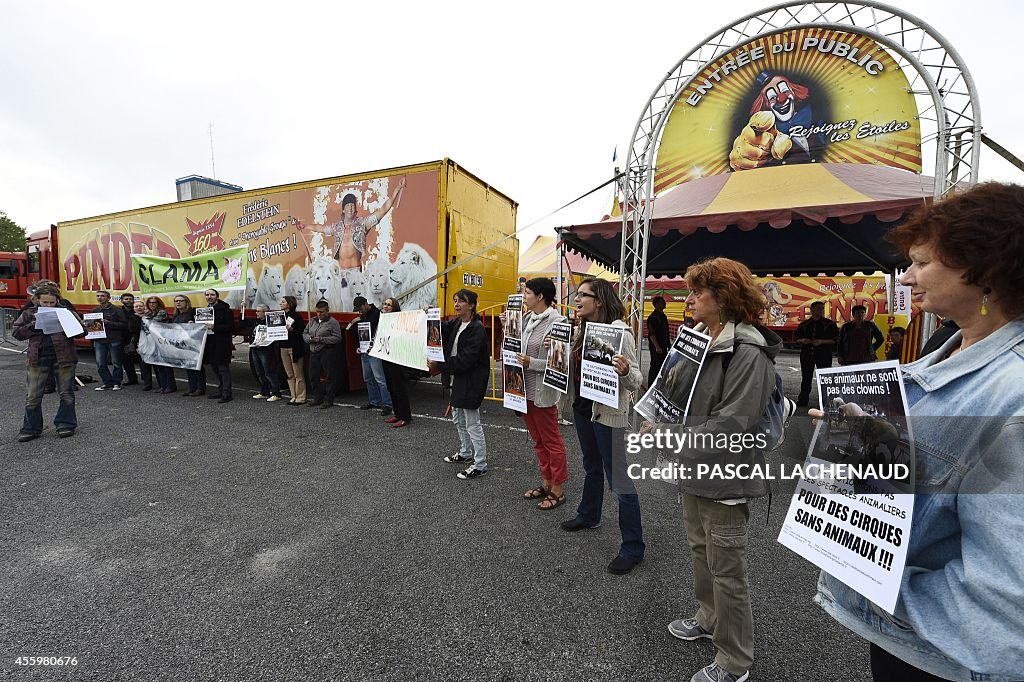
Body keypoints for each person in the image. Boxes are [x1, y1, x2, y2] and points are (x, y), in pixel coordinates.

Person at [812, 182, 1024, 681]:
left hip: (949, 657)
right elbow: (937, 472)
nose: (905, 279)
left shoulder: (1013, 390)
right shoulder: (952, 349)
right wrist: (872, 443)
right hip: (909, 644)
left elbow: (1005, 602)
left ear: (983, 270)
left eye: (922, 262)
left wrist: (870, 585)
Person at [660, 258, 780, 682]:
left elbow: (733, 424)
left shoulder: (748, 351)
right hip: (693, 473)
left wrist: (672, 439)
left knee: (727, 570)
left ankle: (735, 661)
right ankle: (708, 619)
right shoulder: (699, 340)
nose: (688, 299)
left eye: (697, 292)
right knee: (700, 553)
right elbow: (676, 398)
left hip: (726, 479)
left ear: (724, 298)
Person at [559, 278, 645, 576]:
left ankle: (633, 547)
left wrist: (623, 371)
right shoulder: (581, 330)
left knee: (619, 479)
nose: (577, 299)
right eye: (577, 294)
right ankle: (589, 514)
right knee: (591, 466)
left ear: (600, 301)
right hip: (584, 411)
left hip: (608, 415)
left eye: (584, 295)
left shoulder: (621, 333)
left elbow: (637, 379)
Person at [508, 277, 569, 509]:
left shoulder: (558, 321)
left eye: (528, 293)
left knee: (552, 441)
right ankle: (546, 482)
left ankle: (558, 489)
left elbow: (559, 363)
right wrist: (508, 326)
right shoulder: (526, 319)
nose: (525, 297)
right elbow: (515, 347)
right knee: (538, 441)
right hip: (524, 391)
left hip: (543, 392)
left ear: (540, 296)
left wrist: (531, 362)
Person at [429, 288, 491, 480]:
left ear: (471, 305)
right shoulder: (457, 322)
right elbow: (441, 328)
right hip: (456, 379)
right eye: (455, 300)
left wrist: (440, 365)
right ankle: (465, 453)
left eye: (461, 301)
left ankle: (480, 464)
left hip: (470, 381)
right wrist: (429, 317)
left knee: (472, 423)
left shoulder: (476, 329)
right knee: (458, 418)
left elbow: (465, 360)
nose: (456, 304)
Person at [13, 283, 83, 441]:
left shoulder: (66, 312)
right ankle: (31, 428)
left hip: (64, 358)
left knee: (66, 394)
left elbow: (82, 331)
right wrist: (34, 325)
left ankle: (65, 424)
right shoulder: (29, 313)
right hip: (38, 358)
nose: (49, 305)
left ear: (58, 300)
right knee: (33, 396)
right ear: (37, 300)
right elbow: (16, 333)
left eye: (52, 302)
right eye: (45, 302)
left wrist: (69, 325)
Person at [352, 296, 392, 416]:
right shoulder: (364, 315)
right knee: (368, 378)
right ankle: (374, 401)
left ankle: (387, 404)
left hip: (375, 351)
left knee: (380, 379)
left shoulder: (377, 314)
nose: (360, 311)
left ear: (365, 304)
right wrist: (360, 346)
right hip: (365, 350)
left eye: (360, 308)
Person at [794, 300, 838, 406]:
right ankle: (803, 400)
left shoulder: (829, 324)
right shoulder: (804, 324)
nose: (822, 310)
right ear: (812, 310)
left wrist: (821, 341)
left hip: (823, 355)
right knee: (806, 378)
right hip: (807, 354)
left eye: (823, 308)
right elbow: (797, 339)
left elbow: (836, 340)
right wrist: (803, 340)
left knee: (825, 379)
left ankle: (827, 401)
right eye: (819, 308)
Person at [380, 297, 413, 427]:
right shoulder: (383, 320)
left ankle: (406, 417)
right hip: (386, 357)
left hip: (397, 358)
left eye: (389, 305)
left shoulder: (399, 320)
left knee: (400, 388)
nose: (386, 306)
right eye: (385, 304)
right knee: (391, 387)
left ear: (394, 307)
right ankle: (398, 414)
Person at [303, 300, 342, 408]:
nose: (319, 314)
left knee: (329, 376)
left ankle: (329, 400)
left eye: (321, 312)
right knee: (313, 375)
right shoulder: (312, 321)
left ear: (327, 311)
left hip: (326, 351)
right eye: (317, 312)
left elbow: (337, 338)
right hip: (314, 351)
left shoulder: (333, 322)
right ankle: (317, 397)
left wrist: (321, 339)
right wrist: (308, 339)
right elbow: (305, 332)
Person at [91, 290, 128, 391]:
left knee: (116, 362)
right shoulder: (94, 310)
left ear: (108, 298)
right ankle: (107, 382)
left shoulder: (117, 310)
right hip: (99, 340)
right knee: (100, 363)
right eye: (98, 296)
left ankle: (117, 383)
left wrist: (108, 323)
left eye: (102, 296)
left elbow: (123, 325)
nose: (100, 298)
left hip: (114, 339)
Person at [245, 305, 283, 402]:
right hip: (254, 348)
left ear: (265, 312)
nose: (257, 313)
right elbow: (243, 322)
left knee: (269, 371)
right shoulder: (255, 321)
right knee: (259, 371)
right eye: (256, 311)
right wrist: (242, 309)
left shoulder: (269, 322)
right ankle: (264, 391)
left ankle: (276, 392)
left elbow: (275, 335)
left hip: (265, 349)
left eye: (259, 311)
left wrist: (264, 343)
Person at [171, 295, 208, 397]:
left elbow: (202, 324)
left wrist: (194, 323)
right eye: (176, 301)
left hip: (194, 344)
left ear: (186, 302)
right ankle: (192, 388)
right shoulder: (176, 315)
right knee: (187, 366)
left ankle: (200, 388)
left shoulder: (193, 312)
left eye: (181, 301)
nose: (178, 303)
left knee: (197, 367)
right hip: (182, 344)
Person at [202, 288, 234, 403]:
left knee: (223, 369)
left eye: (212, 294)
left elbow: (230, 327)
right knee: (214, 367)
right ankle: (221, 390)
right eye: (207, 295)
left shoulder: (225, 309)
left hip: (222, 344)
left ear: (217, 296)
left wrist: (214, 326)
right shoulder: (206, 310)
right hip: (210, 343)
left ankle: (227, 393)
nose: (209, 296)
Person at [142, 295, 175, 393]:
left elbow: (154, 323)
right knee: (158, 365)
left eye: (154, 302)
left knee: (166, 365)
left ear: (158, 303)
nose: (152, 304)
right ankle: (163, 385)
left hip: (163, 342)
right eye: (150, 303)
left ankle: (170, 386)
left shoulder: (161, 312)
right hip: (153, 342)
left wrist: (144, 317)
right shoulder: (150, 313)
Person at [278, 295, 307, 406]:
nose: (281, 303)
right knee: (289, 374)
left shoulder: (296, 316)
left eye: (283, 302)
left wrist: (291, 329)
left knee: (298, 373)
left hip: (294, 347)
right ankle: (293, 396)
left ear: (289, 304)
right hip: (283, 346)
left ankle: (300, 397)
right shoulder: (280, 316)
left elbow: (301, 332)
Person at [127, 299, 152, 390]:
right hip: (139, 341)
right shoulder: (132, 318)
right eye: (136, 307)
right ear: (133, 308)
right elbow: (132, 329)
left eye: (140, 306)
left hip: (151, 340)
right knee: (143, 363)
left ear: (144, 307)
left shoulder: (150, 316)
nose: (139, 308)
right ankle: (147, 383)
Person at [647, 295, 671, 387]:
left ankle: (660, 384)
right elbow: (651, 334)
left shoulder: (663, 316)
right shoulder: (652, 317)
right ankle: (651, 385)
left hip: (664, 345)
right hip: (656, 348)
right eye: (662, 301)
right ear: (657, 304)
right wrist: (657, 346)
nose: (665, 303)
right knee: (655, 366)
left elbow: (666, 331)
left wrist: (668, 344)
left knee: (663, 366)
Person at [119, 293, 139, 385]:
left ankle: (147, 380)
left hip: (136, 337)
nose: (128, 301)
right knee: (126, 360)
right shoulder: (118, 311)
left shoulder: (137, 310)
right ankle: (132, 379)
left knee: (141, 360)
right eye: (126, 299)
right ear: (122, 300)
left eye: (130, 299)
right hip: (123, 338)